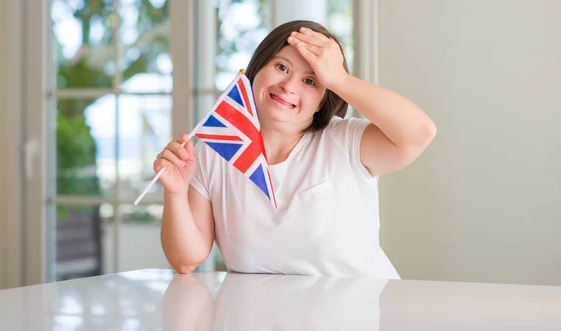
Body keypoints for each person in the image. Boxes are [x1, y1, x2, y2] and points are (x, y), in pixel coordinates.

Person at [154, 20, 437, 278]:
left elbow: (419, 133)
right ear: (257, 69)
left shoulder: (345, 141)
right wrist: (175, 193)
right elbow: (185, 260)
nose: (288, 86)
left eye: (310, 81)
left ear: (323, 101)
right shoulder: (216, 152)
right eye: (281, 67)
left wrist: (339, 78)